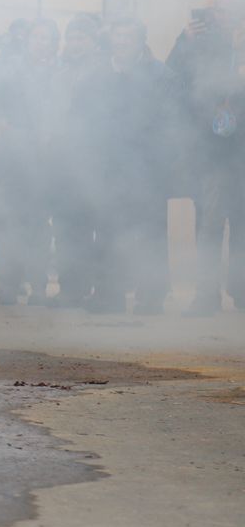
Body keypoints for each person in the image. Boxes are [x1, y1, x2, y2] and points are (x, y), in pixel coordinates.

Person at [86, 18, 180, 315]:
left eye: (128, 37)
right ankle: (108, 294)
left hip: (148, 169)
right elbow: (86, 118)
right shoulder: (99, 74)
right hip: (109, 166)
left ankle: (152, 296)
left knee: (150, 232)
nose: (122, 42)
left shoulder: (161, 75)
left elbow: (170, 123)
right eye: (118, 36)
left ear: (141, 41)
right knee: (108, 230)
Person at [166, 0, 245, 316]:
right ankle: (206, 295)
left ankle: (241, 292)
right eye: (219, 12)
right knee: (210, 224)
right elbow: (172, 78)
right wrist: (184, 40)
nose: (224, 18)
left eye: (232, 11)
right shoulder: (199, 43)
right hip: (213, 149)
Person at [0, 18, 59, 305]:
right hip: (11, 158)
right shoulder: (9, 71)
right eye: (36, 37)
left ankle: (38, 285)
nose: (41, 43)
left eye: (47, 38)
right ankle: (9, 283)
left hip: (45, 161)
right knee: (8, 223)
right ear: (27, 41)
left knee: (38, 225)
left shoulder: (59, 72)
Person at [48, 14, 107, 307]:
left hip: (94, 161)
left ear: (94, 42)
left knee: (94, 227)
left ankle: (98, 287)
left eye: (82, 37)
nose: (75, 43)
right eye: (71, 37)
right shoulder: (59, 73)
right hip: (62, 162)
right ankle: (70, 287)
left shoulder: (105, 72)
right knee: (66, 228)